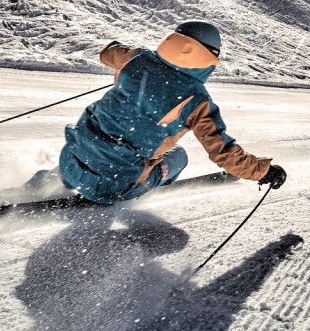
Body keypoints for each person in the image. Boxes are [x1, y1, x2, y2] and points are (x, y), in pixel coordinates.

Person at [58, 20, 286, 203]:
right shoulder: (197, 101)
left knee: (101, 140)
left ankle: (73, 175)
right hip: (113, 188)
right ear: (208, 56)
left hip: (67, 160)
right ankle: (142, 185)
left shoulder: (136, 58)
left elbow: (107, 53)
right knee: (179, 155)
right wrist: (263, 172)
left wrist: (130, 63)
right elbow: (223, 152)